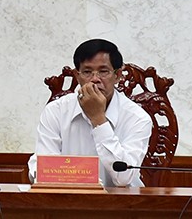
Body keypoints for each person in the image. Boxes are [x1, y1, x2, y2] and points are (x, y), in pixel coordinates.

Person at [27, 39, 152, 187]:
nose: (95, 79)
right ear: (77, 75)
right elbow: (42, 167)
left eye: (103, 71)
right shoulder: (56, 111)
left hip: (120, 204)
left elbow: (123, 178)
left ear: (118, 75)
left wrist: (98, 119)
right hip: (68, 202)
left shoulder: (137, 118)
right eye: (87, 72)